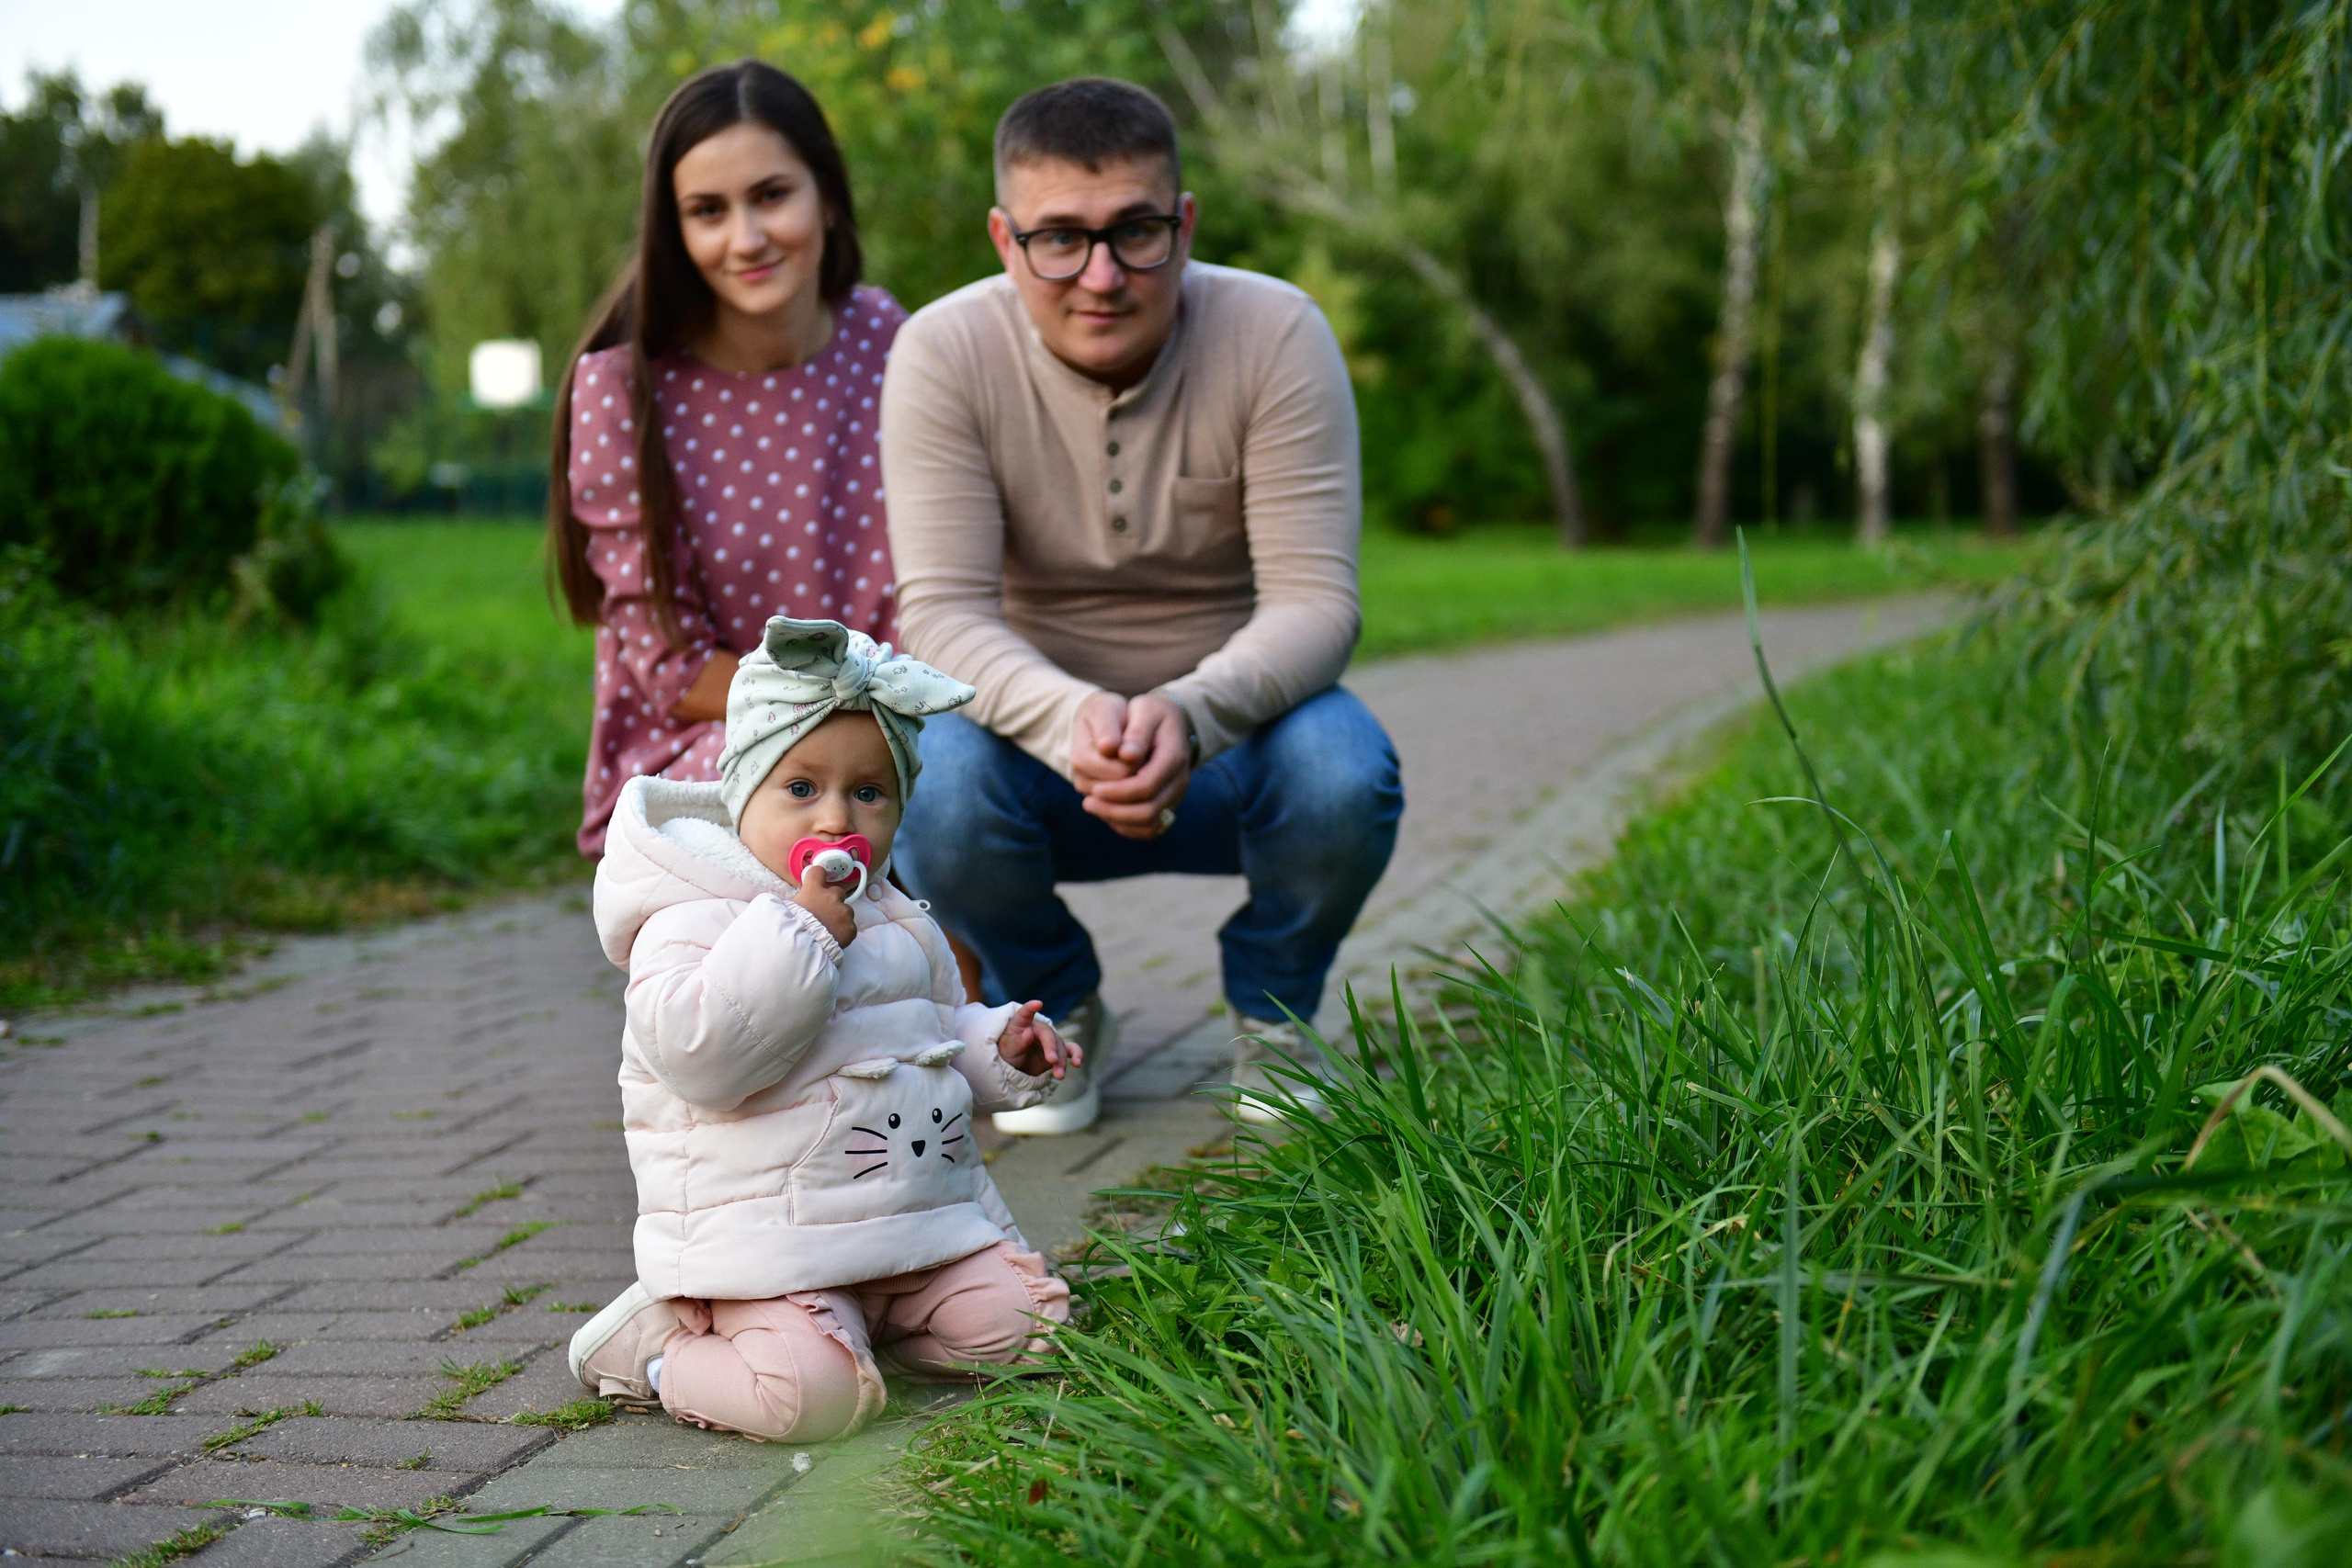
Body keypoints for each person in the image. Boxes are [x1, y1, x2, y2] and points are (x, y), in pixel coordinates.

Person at [881, 77, 1403, 1134]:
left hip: (1235, 742)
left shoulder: (1276, 332)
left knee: (1347, 772)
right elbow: (938, 615)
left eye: (1135, 231)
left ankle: (1275, 1008)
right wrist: (1073, 720)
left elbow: (1317, 601)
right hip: (1030, 756)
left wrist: (1189, 713)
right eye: (1059, 239)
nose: (1102, 275)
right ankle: (1048, 1007)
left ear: (1185, 222)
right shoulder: (942, 352)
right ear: (1004, 239)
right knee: (928, 780)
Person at [566, 615, 1080, 1443]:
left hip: (909, 1231)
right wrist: (803, 935)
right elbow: (703, 1057)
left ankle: (868, 1335)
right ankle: (661, 1349)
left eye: (869, 793)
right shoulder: (690, 916)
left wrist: (1000, 1048)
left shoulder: (898, 917)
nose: (836, 816)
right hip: (770, 1246)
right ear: (744, 792)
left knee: (1030, 1328)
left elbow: (933, 1035)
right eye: (802, 789)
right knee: (812, 1401)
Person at [548, 61, 908, 857]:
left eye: (772, 196)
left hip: (899, 731)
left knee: (967, 781)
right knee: (830, 802)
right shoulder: (622, 390)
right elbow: (672, 670)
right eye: (708, 211)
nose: (746, 239)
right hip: (708, 747)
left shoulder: (891, 340)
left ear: (828, 194)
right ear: (672, 229)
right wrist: (842, 723)